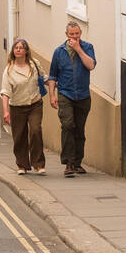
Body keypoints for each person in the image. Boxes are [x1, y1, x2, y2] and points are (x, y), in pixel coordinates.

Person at [47, 21, 96, 177]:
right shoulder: (59, 52)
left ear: (80, 33)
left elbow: (91, 66)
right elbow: (53, 75)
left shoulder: (88, 47)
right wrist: (52, 95)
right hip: (65, 94)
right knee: (68, 125)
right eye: (71, 34)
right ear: (66, 34)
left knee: (79, 129)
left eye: (77, 34)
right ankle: (68, 163)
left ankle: (77, 163)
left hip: (83, 95)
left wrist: (79, 49)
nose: (74, 36)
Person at [1, 39, 46, 175]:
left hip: (35, 104)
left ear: (26, 51)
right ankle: (22, 165)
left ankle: (38, 164)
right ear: (13, 51)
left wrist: (54, 84)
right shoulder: (9, 70)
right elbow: (5, 92)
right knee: (19, 136)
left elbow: (43, 77)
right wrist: (6, 111)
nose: (18, 50)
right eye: (16, 48)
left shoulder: (34, 64)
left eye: (21, 47)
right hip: (17, 107)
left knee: (35, 130)